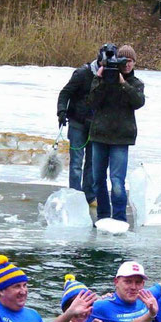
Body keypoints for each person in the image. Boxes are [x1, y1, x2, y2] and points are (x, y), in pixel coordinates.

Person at [88, 45, 145, 222]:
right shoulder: (103, 79)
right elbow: (92, 102)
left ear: (135, 63)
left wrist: (123, 83)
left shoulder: (135, 83)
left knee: (117, 181)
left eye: (131, 61)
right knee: (98, 179)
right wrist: (100, 80)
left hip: (121, 138)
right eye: (125, 61)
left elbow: (138, 102)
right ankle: (103, 216)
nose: (128, 65)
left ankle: (120, 218)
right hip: (100, 135)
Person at [56, 47, 103, 206]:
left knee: (92, 163)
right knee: (76, 163)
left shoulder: (111, 77)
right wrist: (61, 111)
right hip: (77, 123)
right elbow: (65, 93)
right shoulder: (82, 74)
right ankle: (75, 196)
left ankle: (89, 196)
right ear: (99, 59)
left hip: (95, 125)